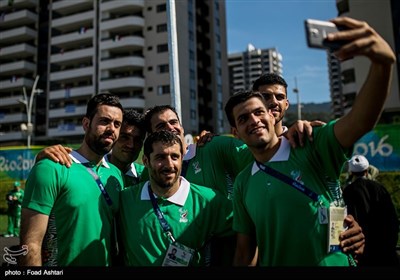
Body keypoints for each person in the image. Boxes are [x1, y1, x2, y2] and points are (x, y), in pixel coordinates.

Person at [224, 16, 395, 266]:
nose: (254, 120)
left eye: (259, 112)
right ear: (236, 132)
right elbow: (245, 253)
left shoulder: (312, 143)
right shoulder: (242, 182)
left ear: (273, 115)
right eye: (243, 118)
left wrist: (382, 64)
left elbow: (360, 121)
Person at [19, 93, 125, 266]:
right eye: (104, 121)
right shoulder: (52, 167)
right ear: (86, 124)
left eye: (117, 124)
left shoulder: (115, 175)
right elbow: (30, 244)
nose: (111, 129)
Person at [117, 130, 233, 266]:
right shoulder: (125, 199)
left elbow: (246, 230)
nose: (169, 165)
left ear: (182, 158)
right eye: (160, 157)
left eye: (174, 157)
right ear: (146, 161)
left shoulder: (208, 200)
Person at [343, 155, 399, 266]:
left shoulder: (348, 191)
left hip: (361, 255)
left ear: (351, 173)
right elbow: (392, 221)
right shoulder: (380, 188)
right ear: (366, 170)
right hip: (384, 253)